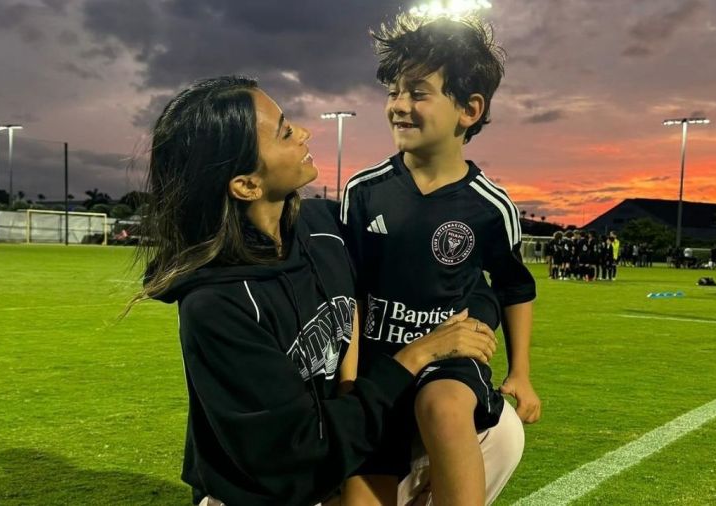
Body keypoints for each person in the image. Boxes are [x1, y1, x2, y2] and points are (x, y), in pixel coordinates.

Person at [130, 76, 501, 506]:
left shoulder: (323, 225)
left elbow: (433, 280)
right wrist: (415, 355)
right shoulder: (216, 305)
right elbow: (297, 457)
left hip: (342, 449)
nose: (304, 133)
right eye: (285, 132)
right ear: (247, 185)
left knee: (497, 432)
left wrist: (471, 316)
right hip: (272, 490)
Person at [340, 16, 539, 506]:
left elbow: (516, 286)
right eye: (393, 92)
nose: (399, 106)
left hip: (448, 362)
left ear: (469, 109)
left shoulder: (489, 206)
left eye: (417, 92)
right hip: (380, 368)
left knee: (445, 407)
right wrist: (349, 383)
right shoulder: (363, 192)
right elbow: (349, 294)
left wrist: (521, 373)